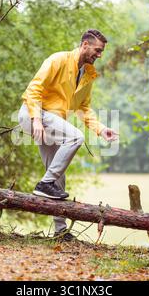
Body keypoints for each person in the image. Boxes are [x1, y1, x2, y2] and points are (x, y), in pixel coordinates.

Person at [17, 29, 118, 240]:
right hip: (34, 114)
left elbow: (83, 107)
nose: (99, 55)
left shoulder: (88, 74)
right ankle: (44, 184)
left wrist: (100, 129)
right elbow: (34, 89)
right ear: (84, 45)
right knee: (76, 138)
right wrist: (36, 119)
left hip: (51, 122)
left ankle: (60, 231)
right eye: (97, 50)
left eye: (101, 52)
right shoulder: (58, 60)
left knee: (57, 177)